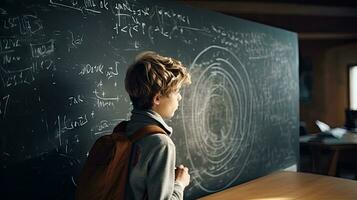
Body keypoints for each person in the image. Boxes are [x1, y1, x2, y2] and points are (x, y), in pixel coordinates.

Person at [124, 51, 191, 200]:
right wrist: (180, 183)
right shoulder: (161, 144)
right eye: (176, 91)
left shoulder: (125, 130)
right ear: (157, 98)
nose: (179, 97)